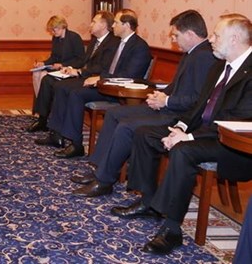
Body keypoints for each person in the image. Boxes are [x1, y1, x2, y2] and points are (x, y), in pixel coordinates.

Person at [110, 13, 252, 255]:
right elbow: (200, 107)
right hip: (202, 131)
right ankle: (148, 201)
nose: (211, 40)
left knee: (183, 151)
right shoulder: (220, 65)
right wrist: (181, 127)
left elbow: (239, 119)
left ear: (236, 38)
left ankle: (172, 229)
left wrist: (189, 137)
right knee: (146, 134)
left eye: (217, 35)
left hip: (231, 142)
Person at [72, 10, 216, 197]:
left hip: (180, 117)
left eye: (176, 35)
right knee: (115, 114)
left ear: (190, 34)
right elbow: (176, 86)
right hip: (170, 108)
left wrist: (167, 101)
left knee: (126, 126)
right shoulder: (193, 53)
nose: (173, 39)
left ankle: (104, 181)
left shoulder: (204, 56)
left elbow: (199, 100)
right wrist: (160, 95)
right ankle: (101, 169)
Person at [36, 9, 152, 158]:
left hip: (115, 91)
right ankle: (57, 134)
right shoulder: (119, 43)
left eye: (116, 23)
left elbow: (128, 76)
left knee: (75, 93)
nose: (113, 26)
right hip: (105, 83)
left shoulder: (139, 46)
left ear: (127, 25)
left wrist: (99, 78)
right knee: (61, 86)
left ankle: (76, 144)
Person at [25, 11, 116, 132]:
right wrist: (45, 63)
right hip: (72, 71)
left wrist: (71, 68)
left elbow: (81, 60)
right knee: (46, 79)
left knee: (57, 85)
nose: (90, 24)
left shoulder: (75, 38)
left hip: (82, 73)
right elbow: (57, 56)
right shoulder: (94, 41)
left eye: (94, 22)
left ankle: (57, 128)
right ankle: (43, 119)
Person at [31, 15, 84, 98]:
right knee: (36, 73)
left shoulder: (74, 37)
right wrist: (43, 63)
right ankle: (40, 102)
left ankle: (44, 104)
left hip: (68, 69)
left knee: (43, 76)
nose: (52, 32)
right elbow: (53, 57)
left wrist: (62, 65)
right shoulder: (56, 38)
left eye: (53, 29)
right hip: (57, 68)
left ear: (61, 26)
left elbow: (80, 60)